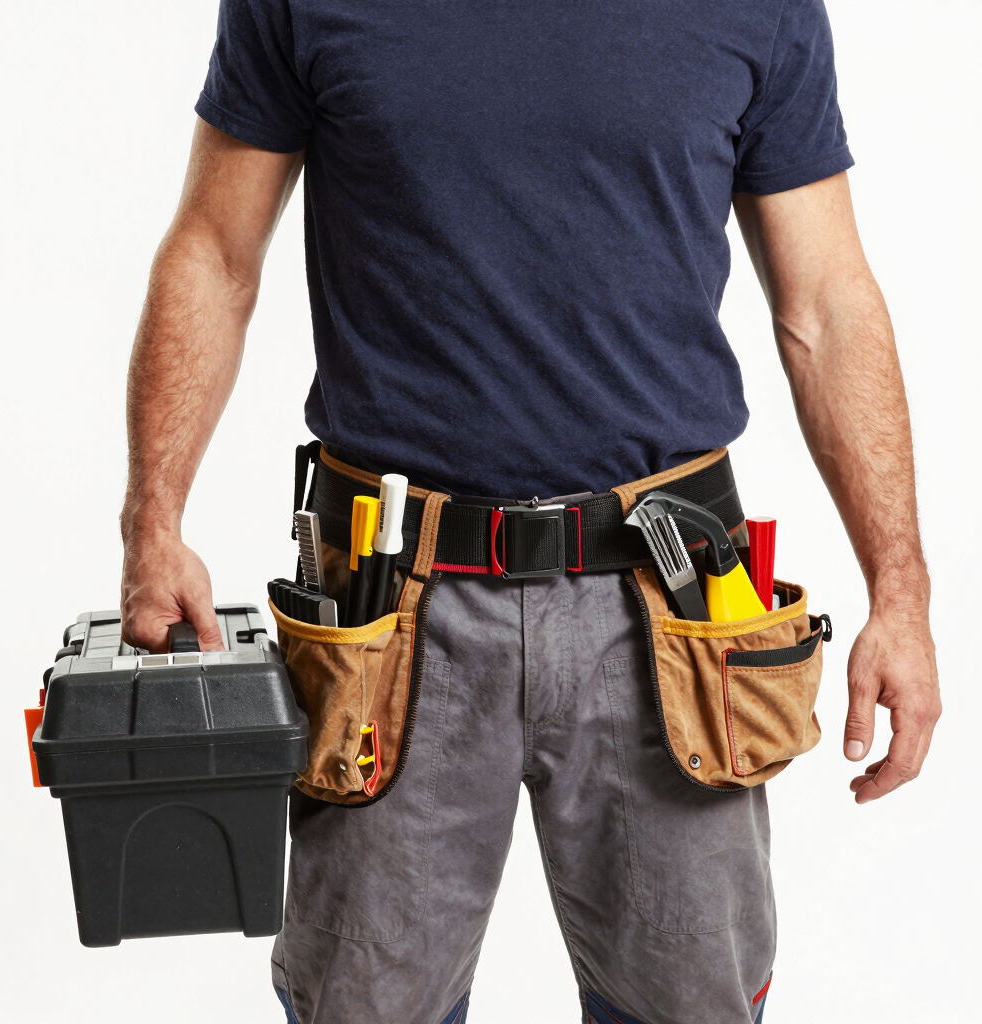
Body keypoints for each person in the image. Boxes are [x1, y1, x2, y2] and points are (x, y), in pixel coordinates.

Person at [118, 0, 941, 1021]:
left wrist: (898, 591)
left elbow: (827, 300)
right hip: (392, 607)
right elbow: (213, 250)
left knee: (690, 1005)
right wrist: (153, 523)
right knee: (363, 1005)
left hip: (669, 605)